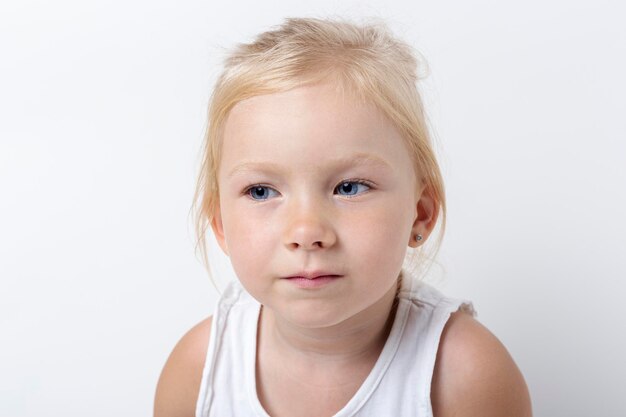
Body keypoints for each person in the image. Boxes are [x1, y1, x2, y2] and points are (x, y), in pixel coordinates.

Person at [154, 17, 532, 417]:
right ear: (221, 226)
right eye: (261, 191)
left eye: (350, 187)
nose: (306, 232)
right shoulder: (200, 372)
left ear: (419, 214)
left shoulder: (464, 378)